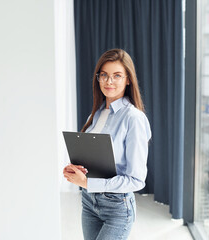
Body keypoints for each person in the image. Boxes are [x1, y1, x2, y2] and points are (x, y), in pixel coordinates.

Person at [63, 48, 151, 240]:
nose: (109, 81)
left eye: (117, 75)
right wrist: (76, 171)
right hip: (89, 202)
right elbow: (95, 162)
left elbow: (136, 180)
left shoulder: (133, 118)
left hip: (117, 207)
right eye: (104, 75)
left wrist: (87, 182)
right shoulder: (96, 114)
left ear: (128, 79)